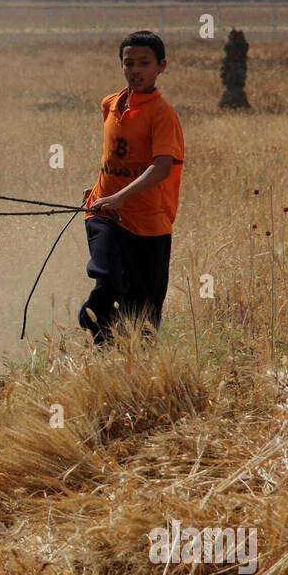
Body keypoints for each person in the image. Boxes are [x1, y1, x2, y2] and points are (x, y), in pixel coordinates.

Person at [79, 30, 186, 344]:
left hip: (149, 223)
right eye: (129, 63)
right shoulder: (110, 104)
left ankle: (124, 362)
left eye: (144, 63)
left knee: (144, 315)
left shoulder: (162, 114)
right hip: (105, 213)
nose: (135, 70)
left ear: (161, 66)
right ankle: (93, 322)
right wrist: (102, 190)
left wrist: (119, 196)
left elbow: (161, 167)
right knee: (108, 278)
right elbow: (114, 154)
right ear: (121, 65)